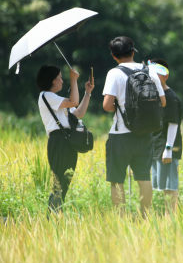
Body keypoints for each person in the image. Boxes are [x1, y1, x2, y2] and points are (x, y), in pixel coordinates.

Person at [102, 36, 165, 216]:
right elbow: (163, 101)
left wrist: (121, 107)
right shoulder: (150, 72)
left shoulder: (114, 73)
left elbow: (107, 106)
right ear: (133, 51)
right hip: (145, 134)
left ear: (114, 56)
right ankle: (144, 216)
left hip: (120, 134)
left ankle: (121, 218)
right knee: (144, 177)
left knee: (117, 180)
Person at [36, 65, 94, 212]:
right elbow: (74, 102)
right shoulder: (46, 96)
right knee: (59, 184)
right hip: (59, 141)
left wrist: (87, 93)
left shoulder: (58, 100)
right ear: (52, 81)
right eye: (60, 78)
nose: (62, 81)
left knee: (64, 183)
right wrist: (73, 80)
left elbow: (78, 112)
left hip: (66, 143)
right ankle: (53, 217)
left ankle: (56, 215)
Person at [148, 58, 182, 213]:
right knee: (159, 185)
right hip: (155, 146)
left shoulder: (170, 97)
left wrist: (168, 148)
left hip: (166, 147)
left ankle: (171, 217)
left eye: (157, 75)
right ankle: (163, 216)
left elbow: (173, 123)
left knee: (169, 185)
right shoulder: (153, 96)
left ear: (165, 76)